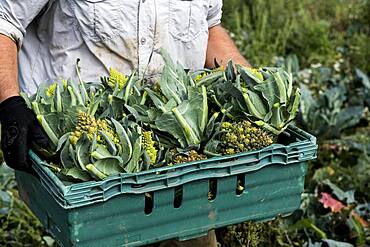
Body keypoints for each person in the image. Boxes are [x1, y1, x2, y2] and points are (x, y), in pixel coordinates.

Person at [0, 1, 250, 246]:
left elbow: (209, 26)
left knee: (193, 237)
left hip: (176, 152)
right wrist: (10, 104)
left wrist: (253, 85)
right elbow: (5, 21)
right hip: (87, 155)